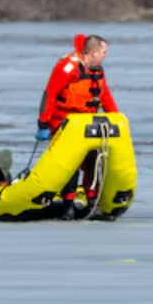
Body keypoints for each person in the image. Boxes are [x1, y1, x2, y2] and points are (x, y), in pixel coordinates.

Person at [36, 34, 118, 204]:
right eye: (104, 52)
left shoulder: (98, 71)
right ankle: (68, 200)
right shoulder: (67, 68)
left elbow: (105, 96)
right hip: (64, 122)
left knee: (92, 160)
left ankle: (92, 197)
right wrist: (43, 123)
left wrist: (116, 120)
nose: (105, 55)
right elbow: (50, 94)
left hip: (87, 123)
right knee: (69, 163)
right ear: (94, 52)